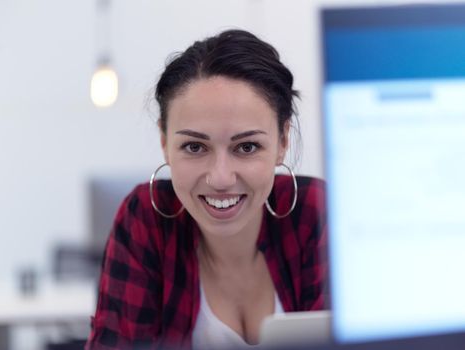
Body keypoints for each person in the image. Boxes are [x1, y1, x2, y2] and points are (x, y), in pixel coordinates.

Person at [85, 29, 327, 350]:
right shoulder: (145, 219)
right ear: (164, 142)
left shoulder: (318, 211)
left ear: (283, 141)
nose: (221, 178)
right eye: (195, 147)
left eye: (247, 146)